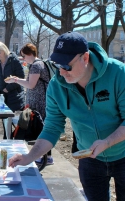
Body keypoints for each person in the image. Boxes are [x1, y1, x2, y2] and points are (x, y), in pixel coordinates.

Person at [8, 31, 125, 201]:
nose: (61, 72)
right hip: (89, 158)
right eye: (58, 65)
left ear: (85, 58)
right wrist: (29, 157)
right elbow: (52, 128)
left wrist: (107, 142)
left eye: (67, 66)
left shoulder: (118, 74)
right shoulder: (57, 86)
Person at [5, 43, 53, 165]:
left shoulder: (36, 65)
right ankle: (45, 156)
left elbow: (30, 84)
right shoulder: (38, 64)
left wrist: (15, 80)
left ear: (30, 54)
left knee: (40, 129)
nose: (23, 59)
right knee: (41, 128)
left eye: (24, 56)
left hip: (39, 103)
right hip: (39, 102)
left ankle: (45, 157)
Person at [0, 40, 25, 112]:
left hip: (15, 97)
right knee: (4, 120)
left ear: (4, 50)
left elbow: (21, 76)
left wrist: (8, 88)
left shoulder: (14, 60)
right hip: (2, 96)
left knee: (15, 121)